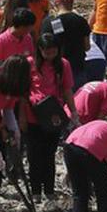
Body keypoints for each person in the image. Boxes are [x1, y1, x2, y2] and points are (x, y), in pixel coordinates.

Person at [26, 33, 78, 202]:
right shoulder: (29, 64)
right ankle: (35, 192)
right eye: (46, 52)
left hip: (53, 115)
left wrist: (73, 112)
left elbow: (67, 89)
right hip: (33, 116)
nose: (50, 55)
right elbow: (23, 90)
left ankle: (49, 190)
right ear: (39, 50)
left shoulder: (63, 65)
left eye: (53, 51)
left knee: (49, 154)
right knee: (34, 156)